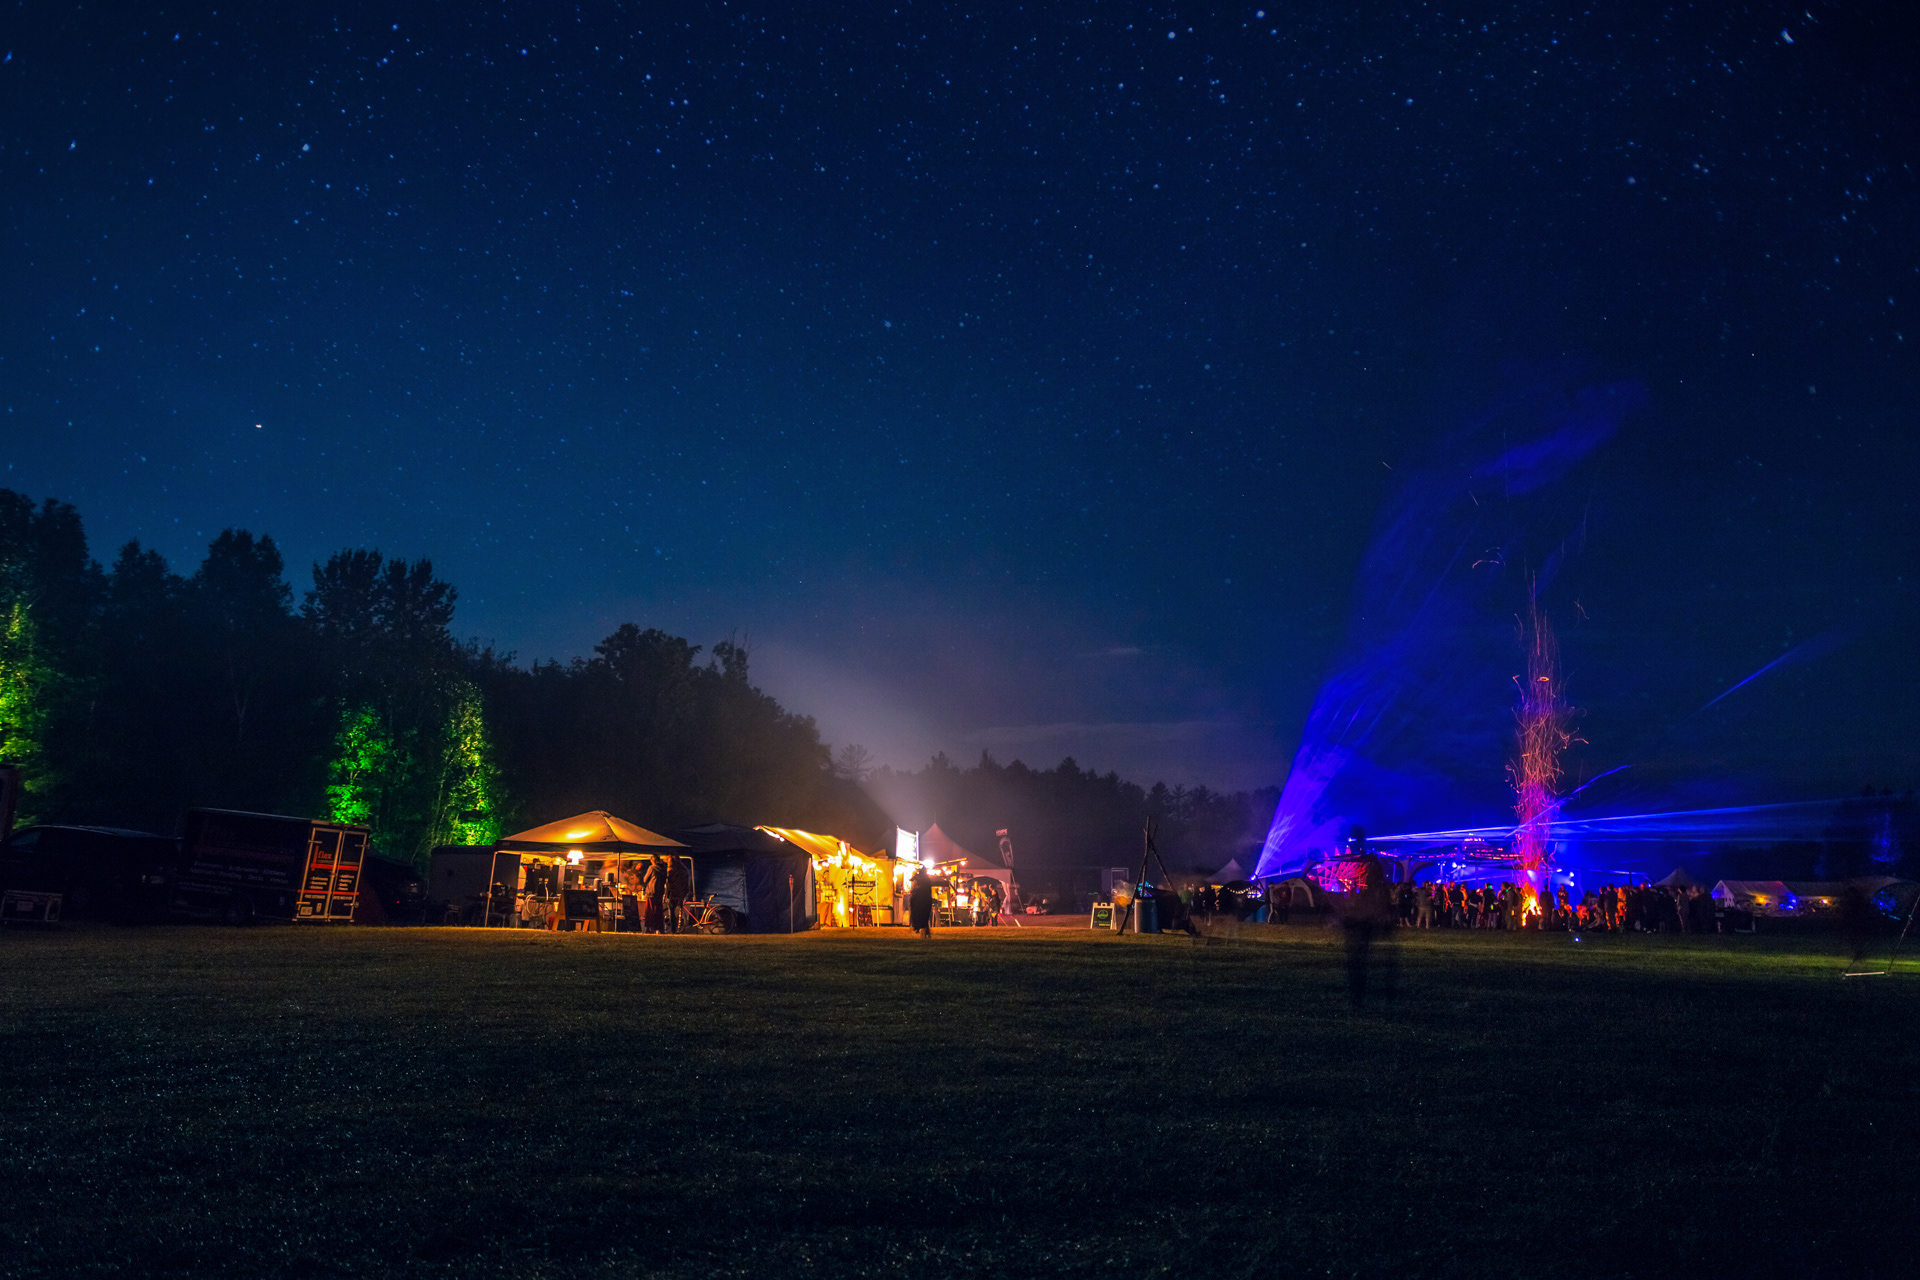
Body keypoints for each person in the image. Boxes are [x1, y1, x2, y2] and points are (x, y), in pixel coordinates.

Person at [665, 854, 691, 934]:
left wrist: (666, 894)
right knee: (680, 910)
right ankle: (680, 927)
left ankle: (674, 929)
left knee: (672, 912)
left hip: (673, 893)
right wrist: (686, 892)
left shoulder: (671, 870)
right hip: (681, 893)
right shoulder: (684, 869)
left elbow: (668, 884)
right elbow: (686, 882)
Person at [908, 867, 935, 937]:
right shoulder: (927, 879)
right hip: (926, 900)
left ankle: (919, 928)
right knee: (925, 916)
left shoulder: (920, 880)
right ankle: (925, 929)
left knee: (919, 914)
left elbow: (911, 879)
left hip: (920, 900)